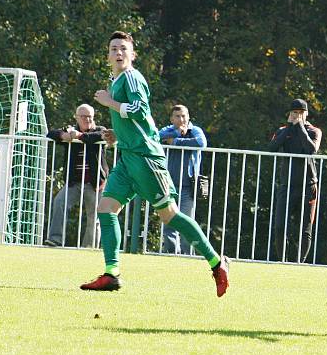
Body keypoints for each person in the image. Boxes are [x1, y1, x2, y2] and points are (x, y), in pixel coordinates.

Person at [79, 31, 229, 295]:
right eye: (114, 49)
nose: (118, 53)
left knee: (169, 215)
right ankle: (111, 273)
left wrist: (109, 103)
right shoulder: (115, 79)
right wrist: (118, 135)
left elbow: (139, 109)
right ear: (107, 56)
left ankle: (217, 263)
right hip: (127, 157)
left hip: (146, 158)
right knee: (106, 208)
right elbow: (132, 121)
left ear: (132, 54)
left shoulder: (132, 77)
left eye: (123, 49)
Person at [44, 104, 108, 248]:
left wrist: (79, 136)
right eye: (84, 117)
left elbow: (100, 136)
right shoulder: (70, 130)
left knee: (94, 216)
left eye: (90, 116)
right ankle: (55, 239)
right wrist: (64, 136)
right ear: (77, 117)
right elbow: (51, 133)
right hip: (74, 182)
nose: (87, 119)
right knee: (59, 202)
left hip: (95, 183)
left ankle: (89, 248)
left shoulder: (100, 130)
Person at [266, 98, 321, 263]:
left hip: (308, 185)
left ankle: (300, 262)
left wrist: (300, 127)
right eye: (294, 112)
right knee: (280, 225)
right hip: (287, 184)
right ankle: (282, 260)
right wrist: (290, 127)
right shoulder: (284, 130)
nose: (298, 116)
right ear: (290, 114)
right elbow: (272, 147)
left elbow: (311, 149)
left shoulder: (314, 131)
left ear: (306, 114)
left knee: (305, 228)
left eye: (301, 113)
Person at [159, 104, 208, 255]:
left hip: (188, 186)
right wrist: (175, 133)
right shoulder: (168, 130)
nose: (181, 119)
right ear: (171, 118)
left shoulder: (196, 130)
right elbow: (155, 136)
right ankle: (171, 253)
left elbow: (201, 143)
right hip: (169, 184)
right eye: (177, 116)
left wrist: (175, 142)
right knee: (169, 220)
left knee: (187, 222)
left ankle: (187, 255)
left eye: (184, 116)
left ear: (189, 117)